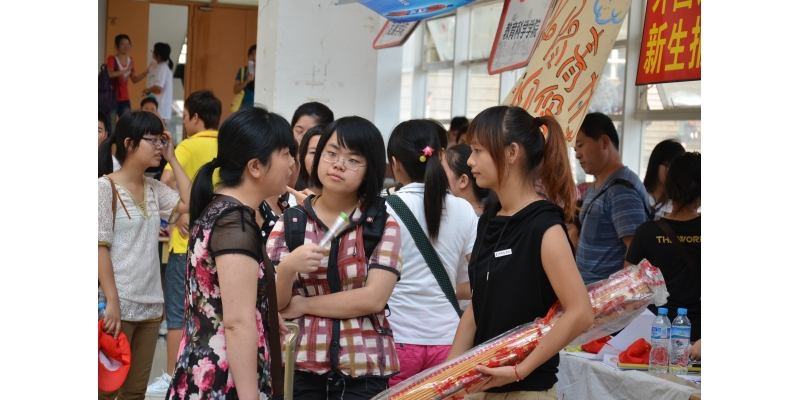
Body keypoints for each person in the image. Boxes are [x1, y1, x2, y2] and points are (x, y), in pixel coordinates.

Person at [448, 106, 593, 399]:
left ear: (512, 152)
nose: (471, 160)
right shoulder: (489, 219)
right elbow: (478, 305)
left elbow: (581, 313)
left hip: (526, 390)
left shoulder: (544, 226)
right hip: (482, 385)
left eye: (478, 151)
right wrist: (446, 379)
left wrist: (519, 370)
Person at [267, 116, 403, 399]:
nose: (339, 164)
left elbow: (373, 299)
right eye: (331, 153)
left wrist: (304, 304)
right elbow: (276, 305)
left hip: (363, 370)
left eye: (353, 160)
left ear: (370, 170)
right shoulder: (291, 222)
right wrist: (288, 267)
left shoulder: (381, 224)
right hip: (299, 366)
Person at [165, 107, 295, 399]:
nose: (291, 163)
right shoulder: (235, 222)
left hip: (204, 369)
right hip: (223, 380)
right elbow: (237, 323)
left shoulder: (219, 208)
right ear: (255, 167)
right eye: (286, 153)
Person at [98, 111, 191, 400]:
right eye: (154, 140)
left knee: (135, 393)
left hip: (151, 308)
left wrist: (173, 157)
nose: (160, 147)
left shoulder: (154, 188)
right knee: (104, 390)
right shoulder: (104, 187)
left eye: (163, 140)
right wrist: (112, 300)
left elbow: (191, 202)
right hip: (118, 307)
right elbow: (99, 247)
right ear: (129, 143)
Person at [384, 120, 477, 387]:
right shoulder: (464, 209)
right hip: (450, 342)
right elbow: (482, 279)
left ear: (395, 164)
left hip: (397, 339)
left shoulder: (384, 209)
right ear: (441, 155)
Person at [143, 90, 222, 395]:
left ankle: (171, 376)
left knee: (177, 314)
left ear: (195, 118)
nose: (186, 123)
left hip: (185, 243)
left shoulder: (188, 145)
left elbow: (165, 181)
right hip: (219, 241)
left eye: (186, 117)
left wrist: (178, 214)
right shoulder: (228, 144)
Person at [625, 152, 701, 341]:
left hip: (655, 333)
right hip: (700, 337)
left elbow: (629, 287)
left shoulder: (646, 232)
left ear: (669, 186)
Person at [575, 112, 649, 284]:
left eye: (581, 145)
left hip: (607, 297)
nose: (577, 154)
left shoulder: (621, 191)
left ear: (604, 142)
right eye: (575, 149)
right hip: (588, 292)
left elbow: (636, 253)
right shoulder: (598, 185)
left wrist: (617, 296)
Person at [105, 34, 150, 134]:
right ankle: (110, 144)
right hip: (112, 98)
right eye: (123, 44)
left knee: (127, 125)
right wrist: (126, 69)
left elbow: (134, 79)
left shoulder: (130, 60)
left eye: (128, 44)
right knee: (111, 127)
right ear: (117, 46)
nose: (126, 47)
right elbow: (111, 74)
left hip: (125, 99)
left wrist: (145, 73)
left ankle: (123, 144)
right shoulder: (112, 59)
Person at [642, 139, 686, 220]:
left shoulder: (681, 205)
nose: (671, 171)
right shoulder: (640, 197)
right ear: (655, 164)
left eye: (675, 168)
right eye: (667, 165)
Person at [443, 144, 490, 216]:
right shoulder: (489, 211)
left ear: (463, 181)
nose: (437, 175)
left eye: (442, 171)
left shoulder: (462, 218)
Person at [143, 42, 174, 126]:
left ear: (158, 55)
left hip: (160, 108)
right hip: (159, 107)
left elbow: (158, 87)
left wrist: (148, 90)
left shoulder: (162, 67)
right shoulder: (160, 67)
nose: (152, 52)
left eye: (154, 51)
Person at [295, 125, 325, 193]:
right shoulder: (289, 194)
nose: (318, 159)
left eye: (330, 153)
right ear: (303, 155)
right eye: (313, 152)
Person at [233, 44, 257, 110]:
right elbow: (235, 90)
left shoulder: (263, 72)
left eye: (256, 54)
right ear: (248, 56)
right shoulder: (242, 71)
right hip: (244, 108)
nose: (254, 57)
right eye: (252, 54)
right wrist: (247, 81)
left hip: (258, 108)